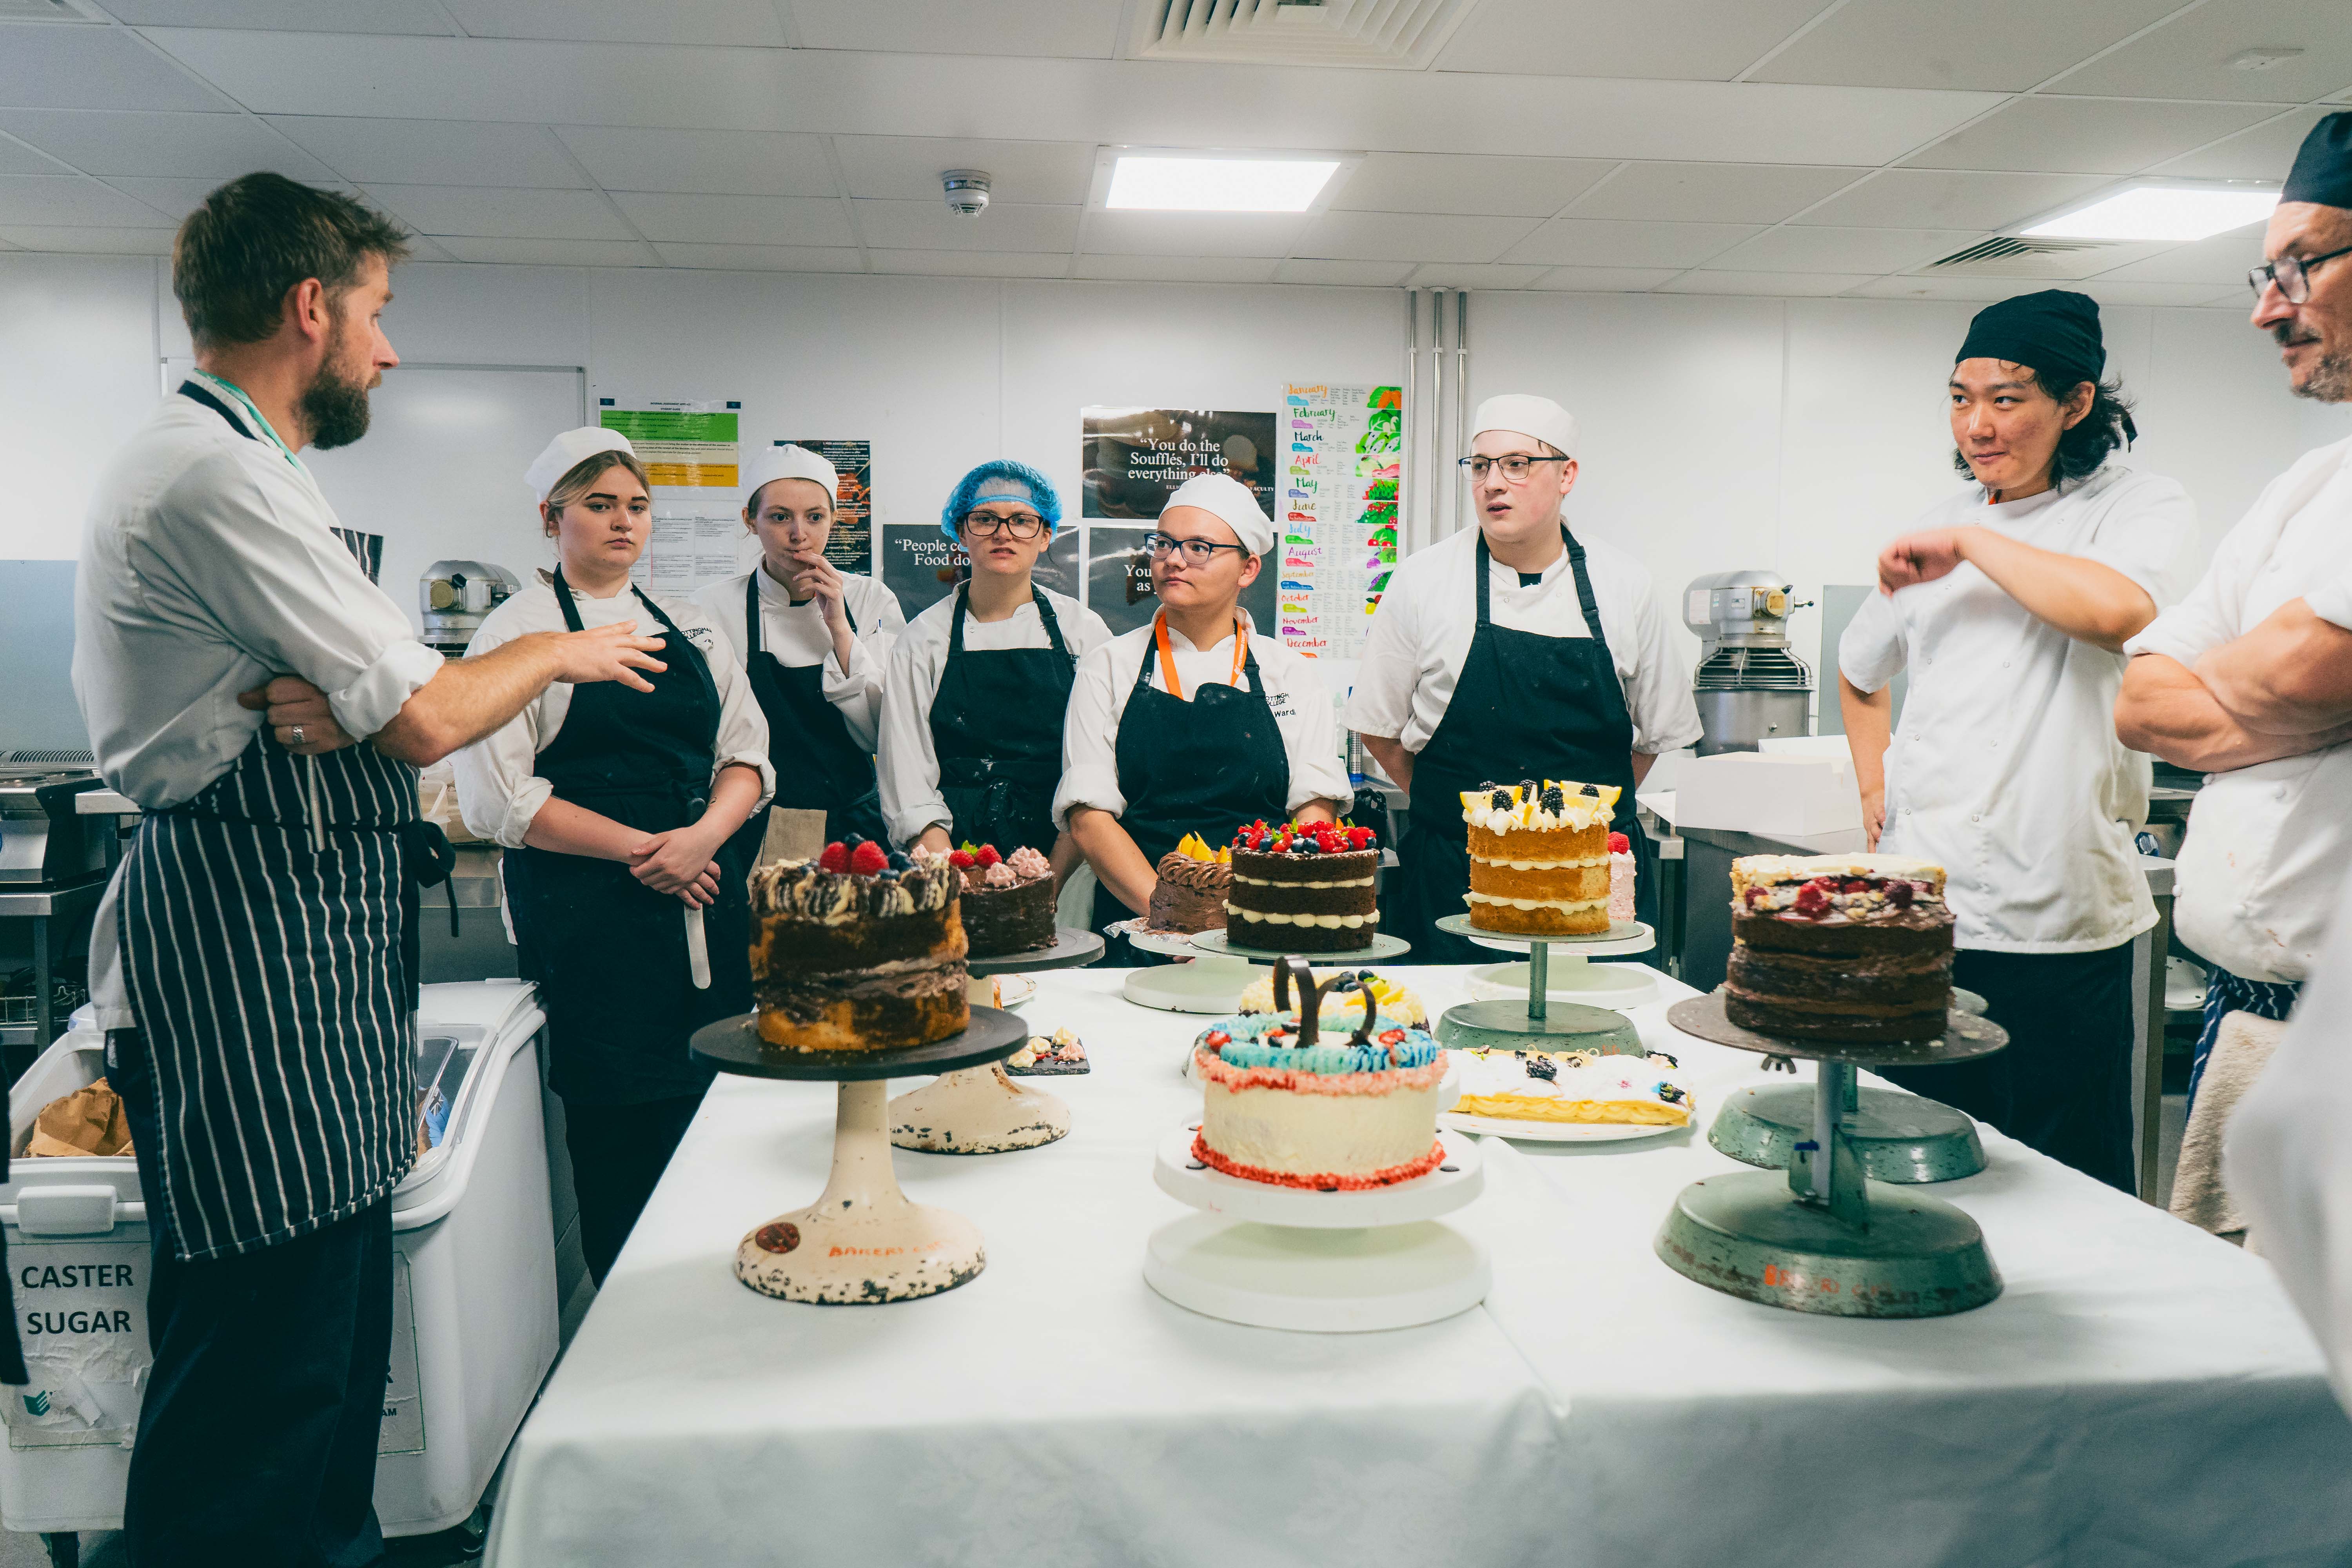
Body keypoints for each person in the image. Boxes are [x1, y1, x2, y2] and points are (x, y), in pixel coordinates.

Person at [71, 173, 664, 1568]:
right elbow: (430, 712)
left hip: (307, 954)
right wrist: (552, 651)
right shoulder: (210, 472)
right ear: (309, 305)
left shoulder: (249, 468)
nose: (389, 351)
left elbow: (363, 693)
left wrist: (356, 690)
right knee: (258, 1380)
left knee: (327, 1360)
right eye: (381, 315)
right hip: (245, 947)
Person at [1837, 290, 2197, 1191]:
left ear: (2076, 404)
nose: (1978, 425)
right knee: (1926, 1160)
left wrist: (1968, 539)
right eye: (1962, 398)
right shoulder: (1938, 522)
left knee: (2064, 1176)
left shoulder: (2135, 505)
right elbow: (1857, 668)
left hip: (2059, 915)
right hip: (1927, 910)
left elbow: (2117, 612)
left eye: (2007, 398)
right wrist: (1875, 787)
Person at [454, 429, 772, 1283]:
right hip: (593, 919)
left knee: (719, 1110)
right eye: (599, 504)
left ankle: (724, 1294)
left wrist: (702, 838)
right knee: (621, 1134)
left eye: (636, 505)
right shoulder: (515, 634)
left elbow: (748, 757)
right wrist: (647, 851)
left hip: (706, 898)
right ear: (551, 517)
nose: (622, 521)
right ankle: (628, 1326)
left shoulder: (690, 624)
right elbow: (499, 801)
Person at [2117, 111, 2352, 1115]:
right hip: (2252, 1004)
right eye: (2264, 275)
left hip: (2336, 1024)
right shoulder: (2310, 482)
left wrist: (2273, 682)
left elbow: (2306, 670)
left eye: (2299, 269)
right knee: (2247, 1277)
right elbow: (2140, 700)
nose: (2267, 310)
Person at [1347, 394, 1700, 964]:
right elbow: (1380, 731)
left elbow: (1653, 737)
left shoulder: (1624, 585)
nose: (1493, 483)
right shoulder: (1422, 582)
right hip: (1456, 879)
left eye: (1517, 464)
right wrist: (1471, 821)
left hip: (1593, 887)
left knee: (1602, 1042)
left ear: (1568, 476)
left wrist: (1564, 838)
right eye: (1480, 465)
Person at [1057, 472, 1352, 964]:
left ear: (1248, 568)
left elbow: (1313, 809)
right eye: (1164, 544)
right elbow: (1089, 819)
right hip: (1139, 923)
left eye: (1199, 547)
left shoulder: (1291, 674)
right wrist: (1176, 924)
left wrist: (1254, 916)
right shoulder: (1108, 666)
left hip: (1259, 923)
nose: (1173, 559)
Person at [877, 460, 1110, 868]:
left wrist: (1052, 881)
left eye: (1021, 520)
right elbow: (908, 779)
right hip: (954, 855)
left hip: (1067, 855)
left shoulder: (1084, 633)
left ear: (1046, 534)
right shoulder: (921, 641)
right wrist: (955, 875)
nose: (1003, 533)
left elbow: (1095, 772)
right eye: (985, 519)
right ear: (961, 532)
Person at [693, 442, 902, 852]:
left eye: (815, 517)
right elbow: (705, 732)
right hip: (750, 825)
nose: (798, 534)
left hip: (854, 826)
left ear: (834, 520)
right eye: (779, 517)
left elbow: (885, 732)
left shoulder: (870, 600)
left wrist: (840, 628)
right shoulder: (711, 607)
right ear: (750, 521)